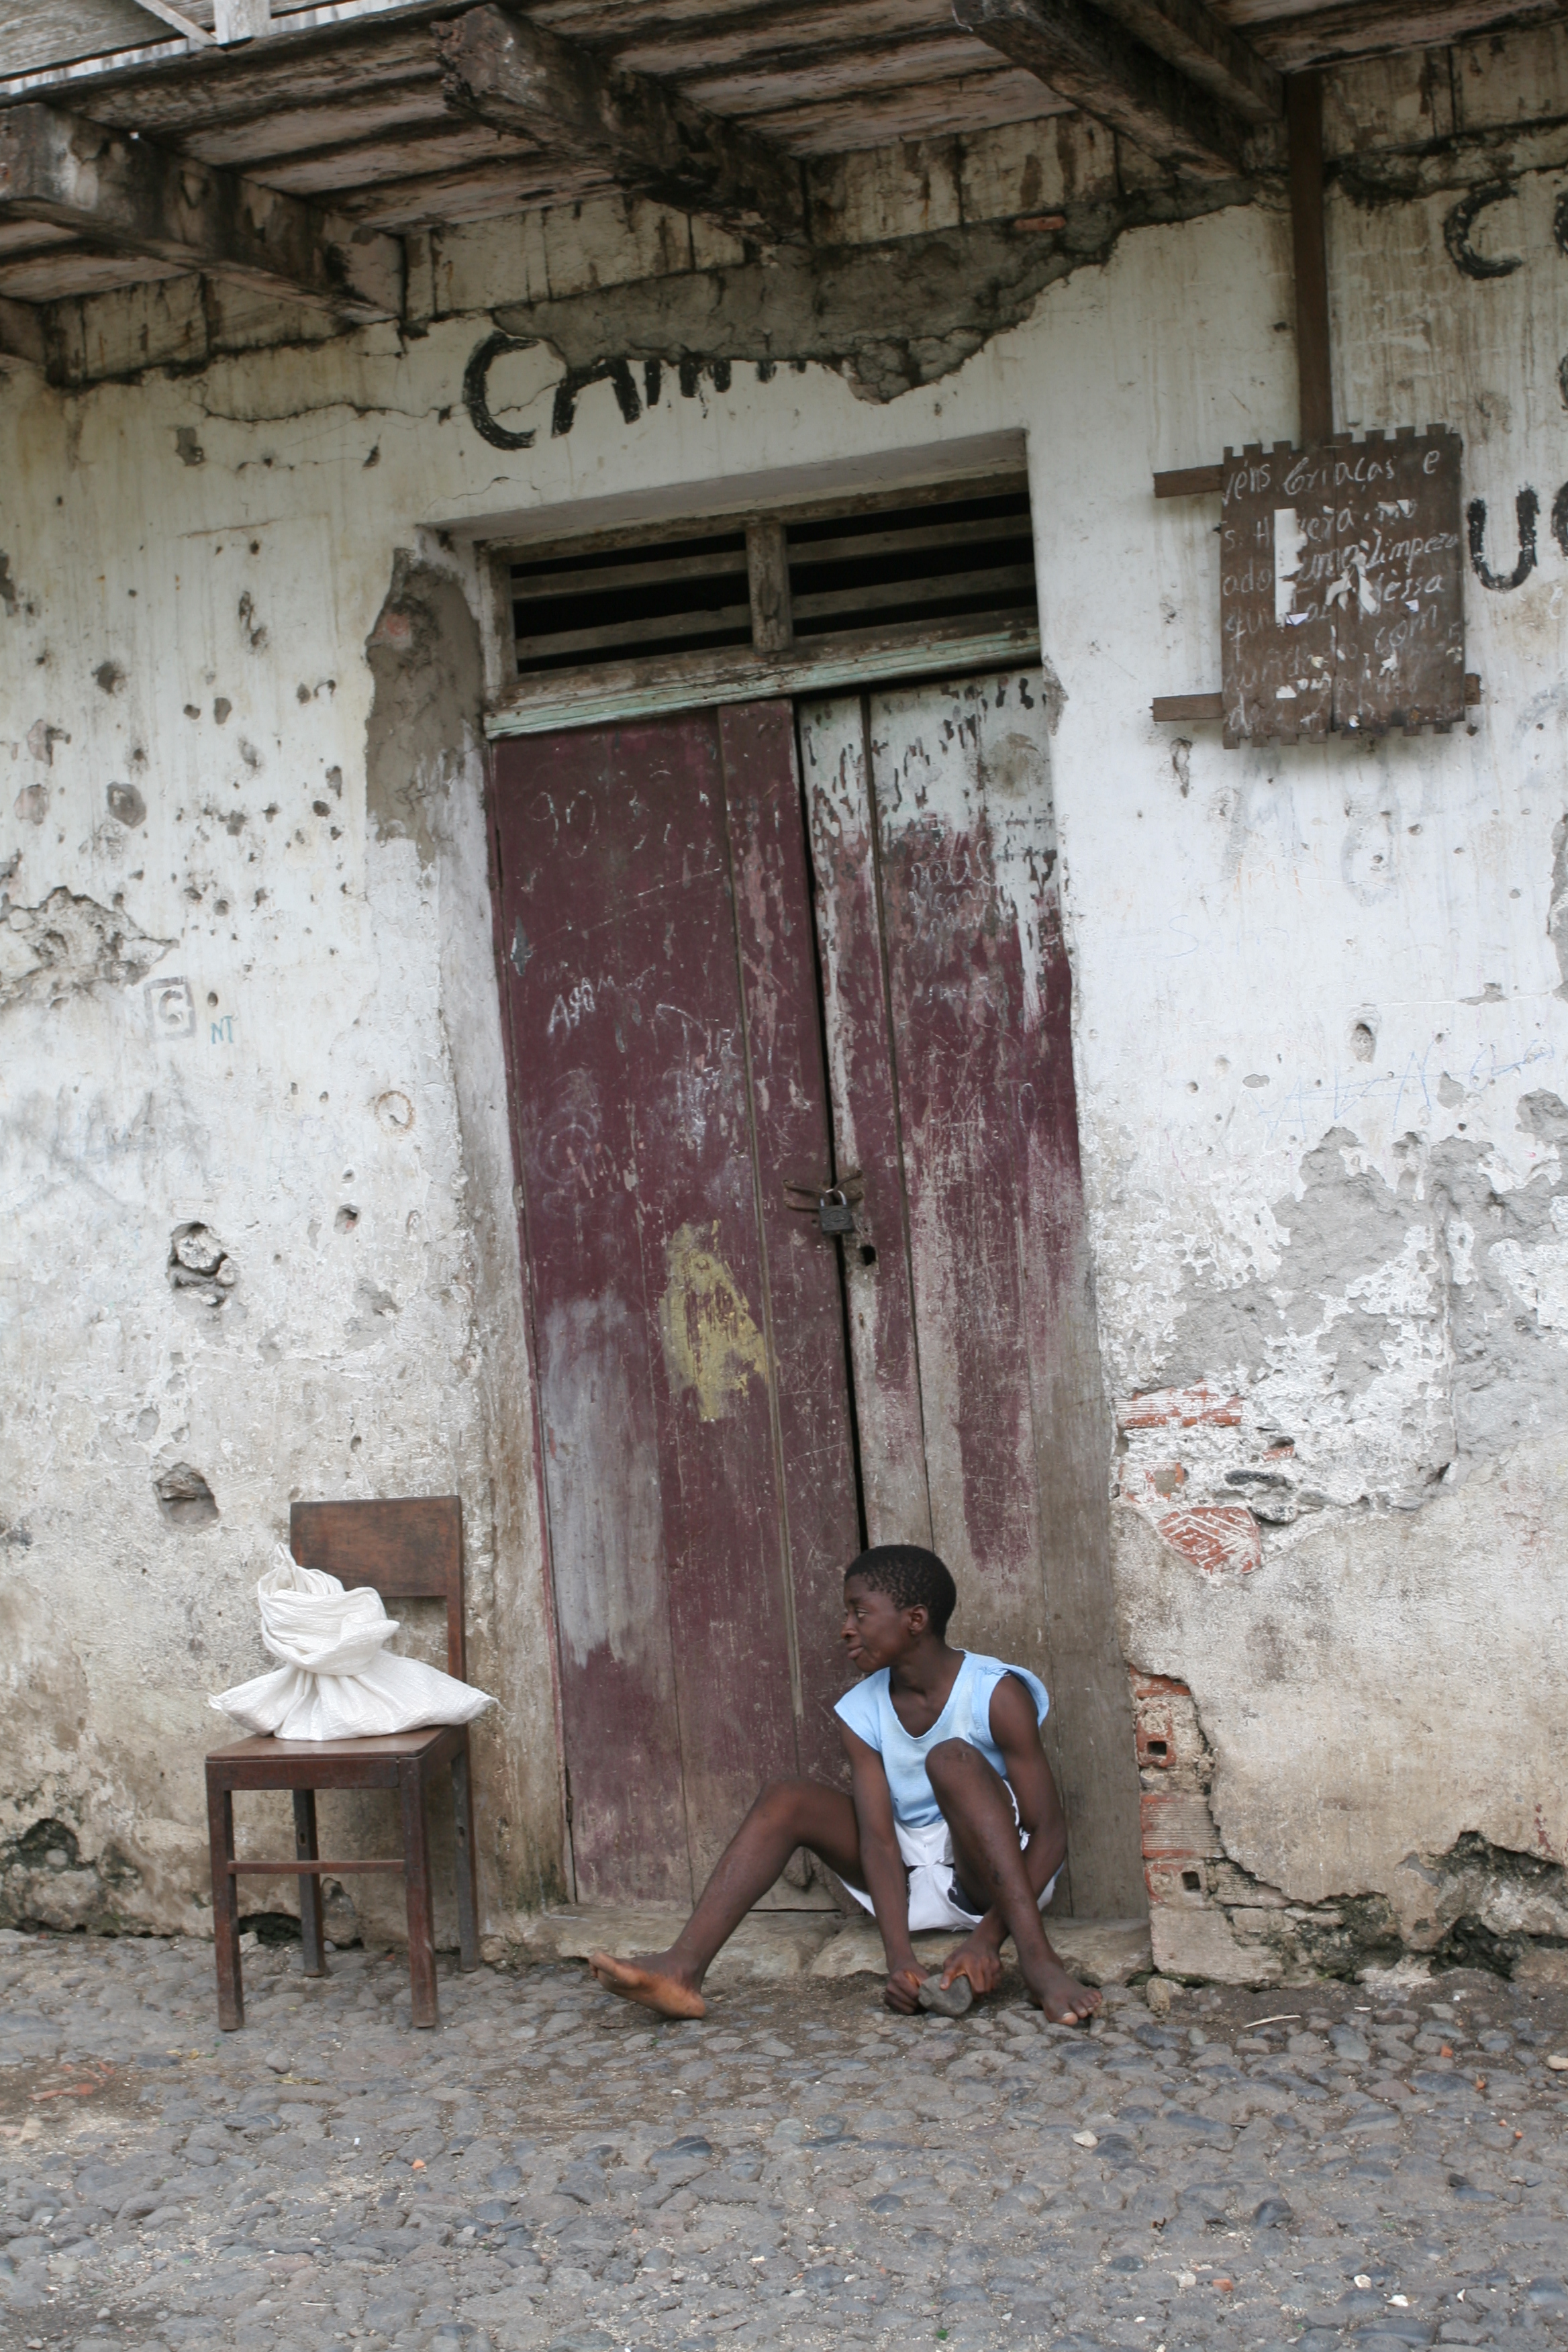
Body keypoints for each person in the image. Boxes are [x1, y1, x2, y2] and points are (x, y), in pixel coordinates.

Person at [589, 1543, 1101, 2024]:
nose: (845, 1629)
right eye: (846, 1615)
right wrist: (899, 1958)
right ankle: (682, 1970)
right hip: (905, 1873)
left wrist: (990, 1938)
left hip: (989, 1878)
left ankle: (1040, 1963)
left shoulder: (995, 1693)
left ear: (915, 1621)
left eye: (860, 1613)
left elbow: (1049, 1831)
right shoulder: (862, 1710)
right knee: (786, 1797)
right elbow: (877, 1839)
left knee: (951, 1760)